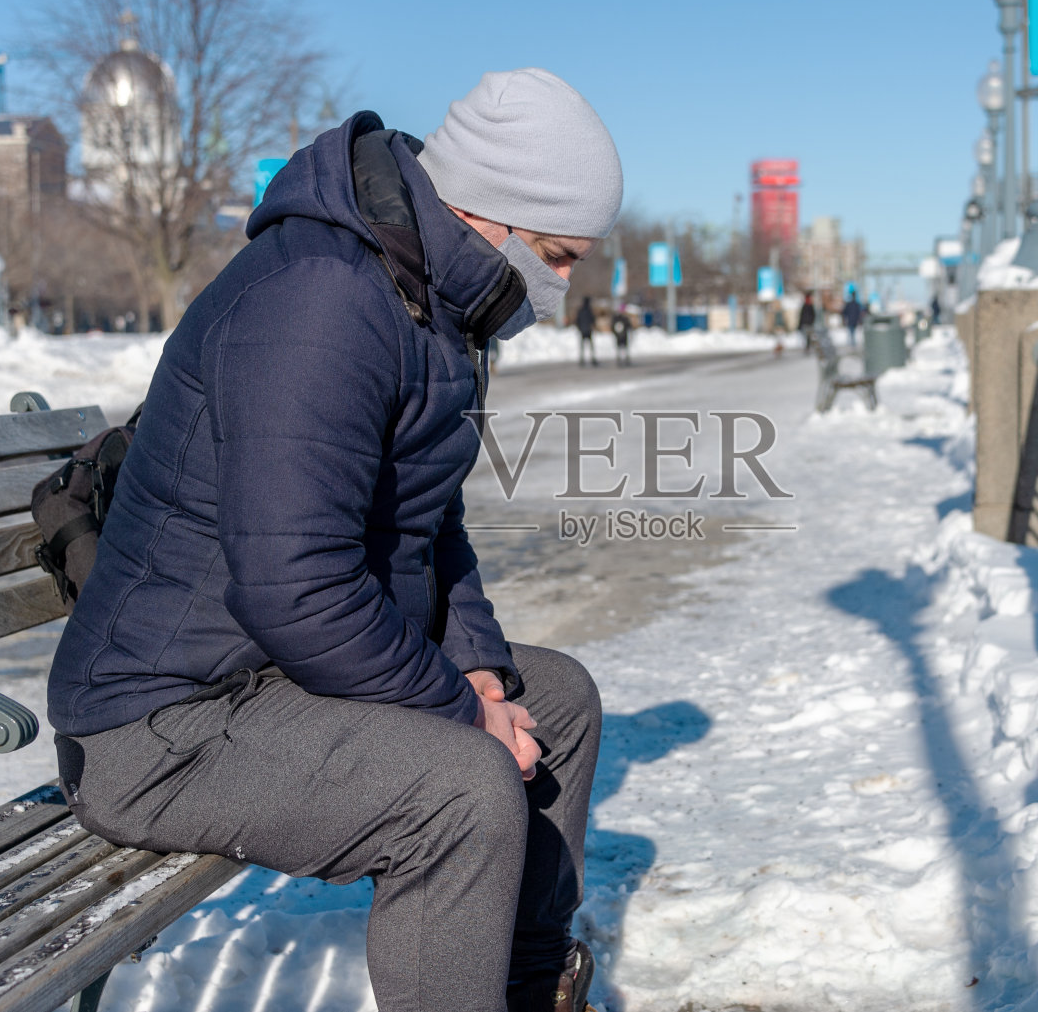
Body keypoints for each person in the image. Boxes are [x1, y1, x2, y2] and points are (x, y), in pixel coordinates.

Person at [46, 68, 621, 1012]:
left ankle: (527, 991)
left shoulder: (429, 299)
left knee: (553, 700)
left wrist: (475, 667)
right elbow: (294, 586)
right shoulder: (322, 300)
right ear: (491, 213)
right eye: (556, 255)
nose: (560, 285)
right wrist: (460, 713)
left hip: (270, 676)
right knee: (462, 787)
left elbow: (431, 518)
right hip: (161, 723)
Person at [575, 295, 599, 366]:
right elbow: (593, 320)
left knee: (582, 346)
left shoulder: (580, 310)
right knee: (591, 346)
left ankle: (582, 360)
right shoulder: (589, 310)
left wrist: (579, 328)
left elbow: (577, 320)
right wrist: (594, 326)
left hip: (582, 330)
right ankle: (593, 359)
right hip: (588, 330)